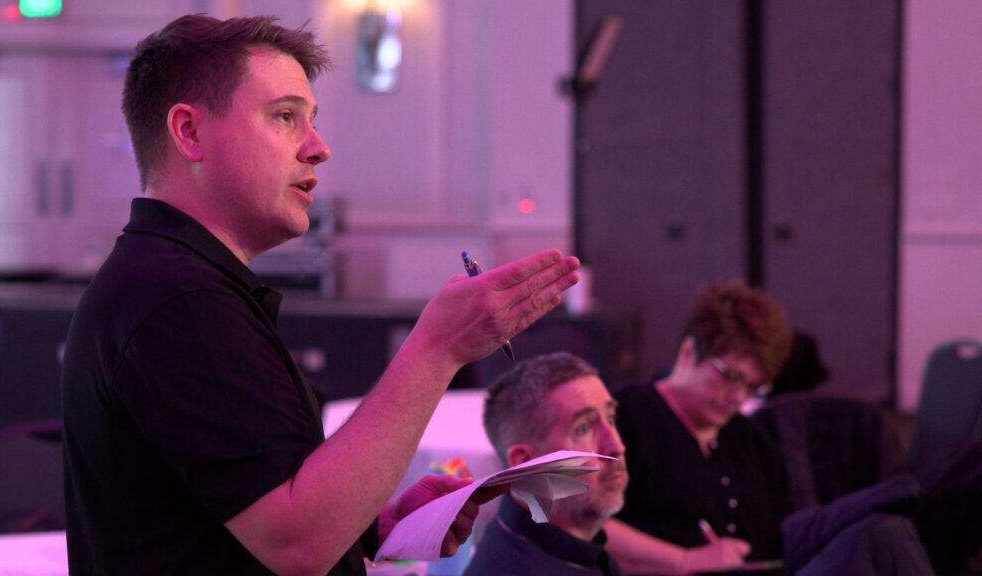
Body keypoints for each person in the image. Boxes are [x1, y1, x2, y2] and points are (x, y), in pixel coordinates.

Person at [60, 14, 579, 576]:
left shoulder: (174, 283)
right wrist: (436, 349)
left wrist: (371, 524)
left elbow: (237, 506)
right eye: (285, 116)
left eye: (312, 121)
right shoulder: (179, 300)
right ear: (189, 132)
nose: (318, 148)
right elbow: (296, 546)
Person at [465, 352, 750, 575]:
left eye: (611, 418)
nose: (616, 446)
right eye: (584, 428)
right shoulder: (517, 567)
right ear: (526, 464)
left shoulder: (579, 546)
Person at [607, 281, 794, 569]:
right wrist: (684, 561)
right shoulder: (625, 416)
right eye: (728, 376)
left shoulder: (751, 440)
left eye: (751, 387)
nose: (738, 397)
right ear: (687, 352)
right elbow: (573, 521)